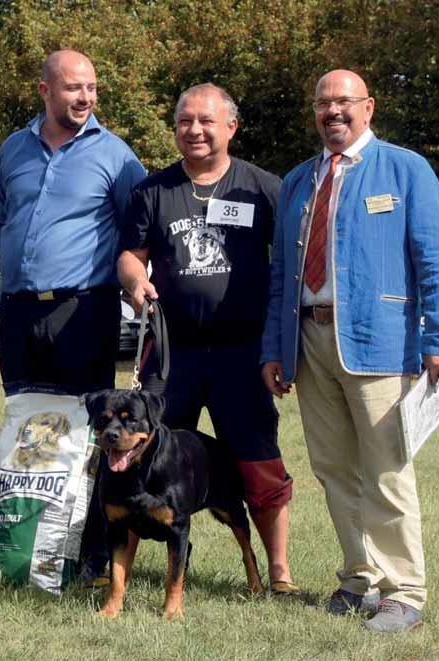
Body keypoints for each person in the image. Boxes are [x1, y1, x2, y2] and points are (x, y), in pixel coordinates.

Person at [261, 70, 439, 633]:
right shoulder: (300, 180)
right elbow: (282, 273)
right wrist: (274, 348)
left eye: (343, 102)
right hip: (309, 342)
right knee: (333, 469)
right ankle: (360, 577)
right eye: (322, 103)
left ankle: (404, 592)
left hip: (382, 343)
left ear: (367, 108)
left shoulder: (406, 169)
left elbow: (438, 260)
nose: (332, 112)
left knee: (385, 470)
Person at [117, 83, 297, 595]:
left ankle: (278, 571)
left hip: (244, 354)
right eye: (184, 121)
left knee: (258, 458)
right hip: (173, 355)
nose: (194, 130)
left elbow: (288, 264)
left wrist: (281, 345)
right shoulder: (151, 191)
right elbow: (131, 254)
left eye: (206, 121)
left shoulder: (264, 189)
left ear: (231, 127)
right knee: (140, 454)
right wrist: (135, 280)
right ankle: (120, 574)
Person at [0, 49, 147, 582]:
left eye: (92, 88)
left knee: (90, 433)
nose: (85, 97)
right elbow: (2, 216)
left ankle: (92, 554)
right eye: (73, 88)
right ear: (45, 91)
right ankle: (27, 546)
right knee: (27, 431)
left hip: (84, 309)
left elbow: (138, 230)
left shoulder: (117, 155)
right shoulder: (13, 148)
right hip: (17, 311)